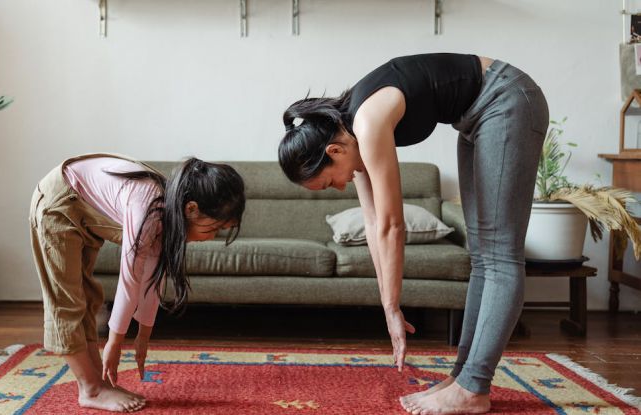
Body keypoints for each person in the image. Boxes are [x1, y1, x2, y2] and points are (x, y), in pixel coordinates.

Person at [278, 53, 548, 414]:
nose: (339, 187)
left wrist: (393, 307)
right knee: (483, 256)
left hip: (506, 99)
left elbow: (392, 224)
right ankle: (463, 377)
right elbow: (373, 222)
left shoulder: (368, 123)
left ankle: (474, 388)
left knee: (499, 254)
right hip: (476, 117)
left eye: (329, 181)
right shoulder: (350, 135)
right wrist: (386, 302)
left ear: (334, 151)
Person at [29, 153, 245, 412]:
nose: (211, 238)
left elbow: (151, 278)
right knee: (66, 301)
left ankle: (98, 384)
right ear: (192, 209)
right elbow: (130, 279)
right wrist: (115, 342)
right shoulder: (149, 208)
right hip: (59, 203)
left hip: (82, 210)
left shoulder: (169, 214)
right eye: (214, 228)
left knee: (88, 297)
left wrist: (143, 337)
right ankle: (91, 389)